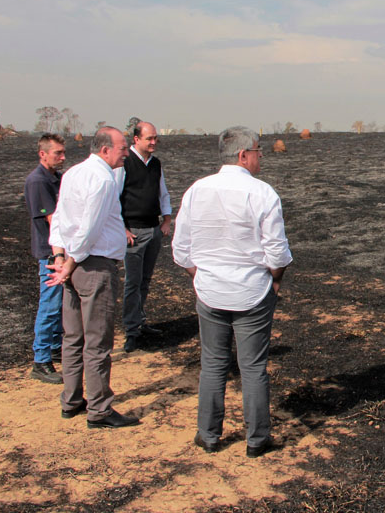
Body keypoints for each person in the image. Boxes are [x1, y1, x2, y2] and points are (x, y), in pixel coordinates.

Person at [172, 126, 292, 458]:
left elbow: (181, 250)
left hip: (210, 292)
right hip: (252, 291)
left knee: (212, 363)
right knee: (253, 367)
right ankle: (257, 439)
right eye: (258, 151)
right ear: (243, 155)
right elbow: (278, 253)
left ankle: (208, 435)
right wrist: (275, 279)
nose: (260, 157)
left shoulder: (197, 190)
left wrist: (201, 275)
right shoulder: (263, 193)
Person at [46, 127, 139, 429]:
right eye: (122, 148)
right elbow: (90, 228)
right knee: (97, 341)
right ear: (105, 150)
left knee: (73, 337)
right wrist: (70, 262)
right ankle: (99, 410)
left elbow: (59, 218)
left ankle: (71, 401)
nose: (126, 153)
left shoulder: (73, 173)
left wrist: (60, 257)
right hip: (93, 266)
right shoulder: (102, 179)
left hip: (73, 264)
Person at [114, 121, 172, 353]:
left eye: (155, 138)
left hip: (153, 229)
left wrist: (166, 220)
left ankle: (140, 321)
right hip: (133, 233)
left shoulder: (156, 164)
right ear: (136, 139)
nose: (153, 142)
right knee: (132, 282)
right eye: (149, 138)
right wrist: (123, 228)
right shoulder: (124, 164)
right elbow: (114, 198)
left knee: (145, 281)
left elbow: (163, 192)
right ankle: (131, 331)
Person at [24, 133, 66, 383]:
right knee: (49, 305)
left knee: (58, 304)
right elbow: (53, 219)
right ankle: (40, 360)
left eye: (62, 153)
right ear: (43, 154)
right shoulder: (37, 181)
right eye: (57, 153)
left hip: (58, 250)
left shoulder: (56, 178)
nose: (62, 157)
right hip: (50, 252)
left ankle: (54, 347)